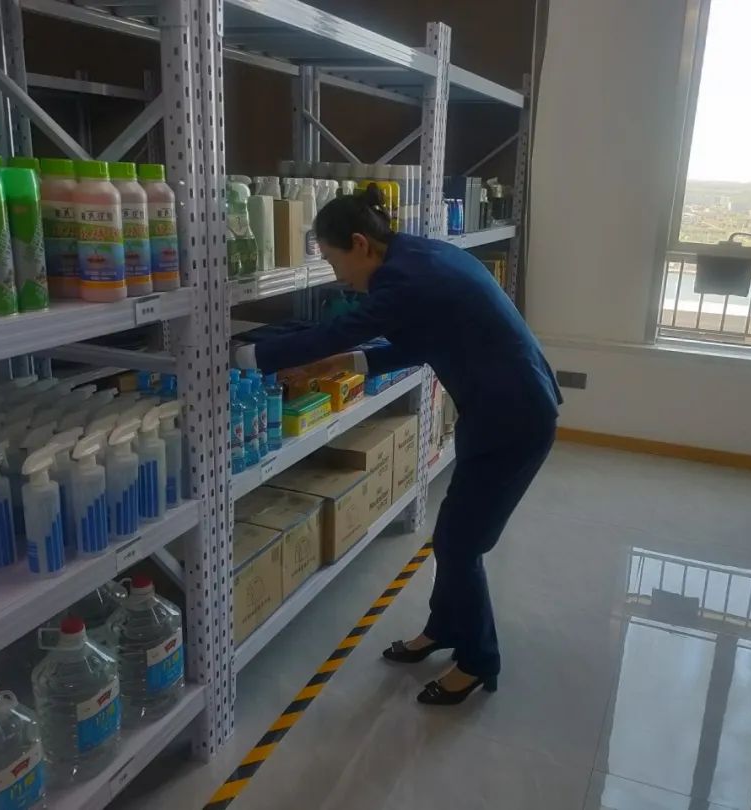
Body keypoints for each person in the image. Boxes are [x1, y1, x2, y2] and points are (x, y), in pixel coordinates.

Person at [236, 186, 561, 705]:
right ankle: (443, 629)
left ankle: (477, 662)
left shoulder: (405, 279)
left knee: (460, 544)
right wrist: (347, 363)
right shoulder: (421, 256)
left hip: (513, 419)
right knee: (451, 534)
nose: (338, 277)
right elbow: (425, 341)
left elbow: (335, 332)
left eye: (334, 262)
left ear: (360, 244)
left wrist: (245, 358)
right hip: (497, 407)